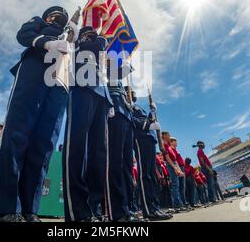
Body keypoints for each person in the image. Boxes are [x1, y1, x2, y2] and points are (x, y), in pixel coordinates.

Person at [0, 6, 75, 222]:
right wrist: (47, 42)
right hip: (36, 67)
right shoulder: (39, 22)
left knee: (44, 145)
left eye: (62, 18)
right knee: (18, 133)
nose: (58, 18)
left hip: (61, 83)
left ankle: (30, 209)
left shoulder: (71, 36)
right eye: (55, 15)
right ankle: (7, 207)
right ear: (49, 16)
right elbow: (24, 35)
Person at [62, 26, 113, 222]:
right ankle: (78, 211)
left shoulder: (97, 48)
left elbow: (103, 69)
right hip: (81, 90)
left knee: (98, 154)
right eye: (87, 33)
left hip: (100, 95)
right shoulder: (78, 44)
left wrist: (108, 100)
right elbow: (96, 47)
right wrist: (97, 38)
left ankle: (94, 208)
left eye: (92, 33)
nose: (91, 35)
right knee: (76, 150)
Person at [104, 60, 141, 222]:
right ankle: (117, 211)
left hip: (125, 116)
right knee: (115, 164)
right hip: (114, 112)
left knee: (126, 165)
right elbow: (107, 79)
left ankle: (128, 208)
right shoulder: (103, 68)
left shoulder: (117, 76)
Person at [130, 89, 171, 221]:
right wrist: (148, 123)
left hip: (149, 139)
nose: (132, 93)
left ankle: (155, 206)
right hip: (140, 138)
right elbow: (134, 121)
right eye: (129, 91)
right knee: (145, 175)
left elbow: (148, 120)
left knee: (152, 175)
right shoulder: (128, 106)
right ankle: (148, 209)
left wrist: (152, 111)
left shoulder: (137, 107)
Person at [162, 132, 186, 212]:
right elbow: (167, 158)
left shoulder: (168, 146)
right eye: (168, 136)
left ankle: (179, 204)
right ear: (165, 136)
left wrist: (178, 169)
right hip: (170, 164)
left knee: (177, 186)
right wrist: (175, 168)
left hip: (174, 164)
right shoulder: (164, 145)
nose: (169, 137)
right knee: (175, 186)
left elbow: (175, 159)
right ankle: (177, 206)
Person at [170, 137, 187, 208]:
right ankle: (180, 203)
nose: (176, 143)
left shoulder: (175, 150)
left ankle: (183, 202)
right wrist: (178, 169)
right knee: (178, 187)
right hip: (178, 167)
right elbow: (174, 161)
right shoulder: (172, 150)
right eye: (175, 141)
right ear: (171, 142)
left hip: (180, 167)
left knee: (182, 187)